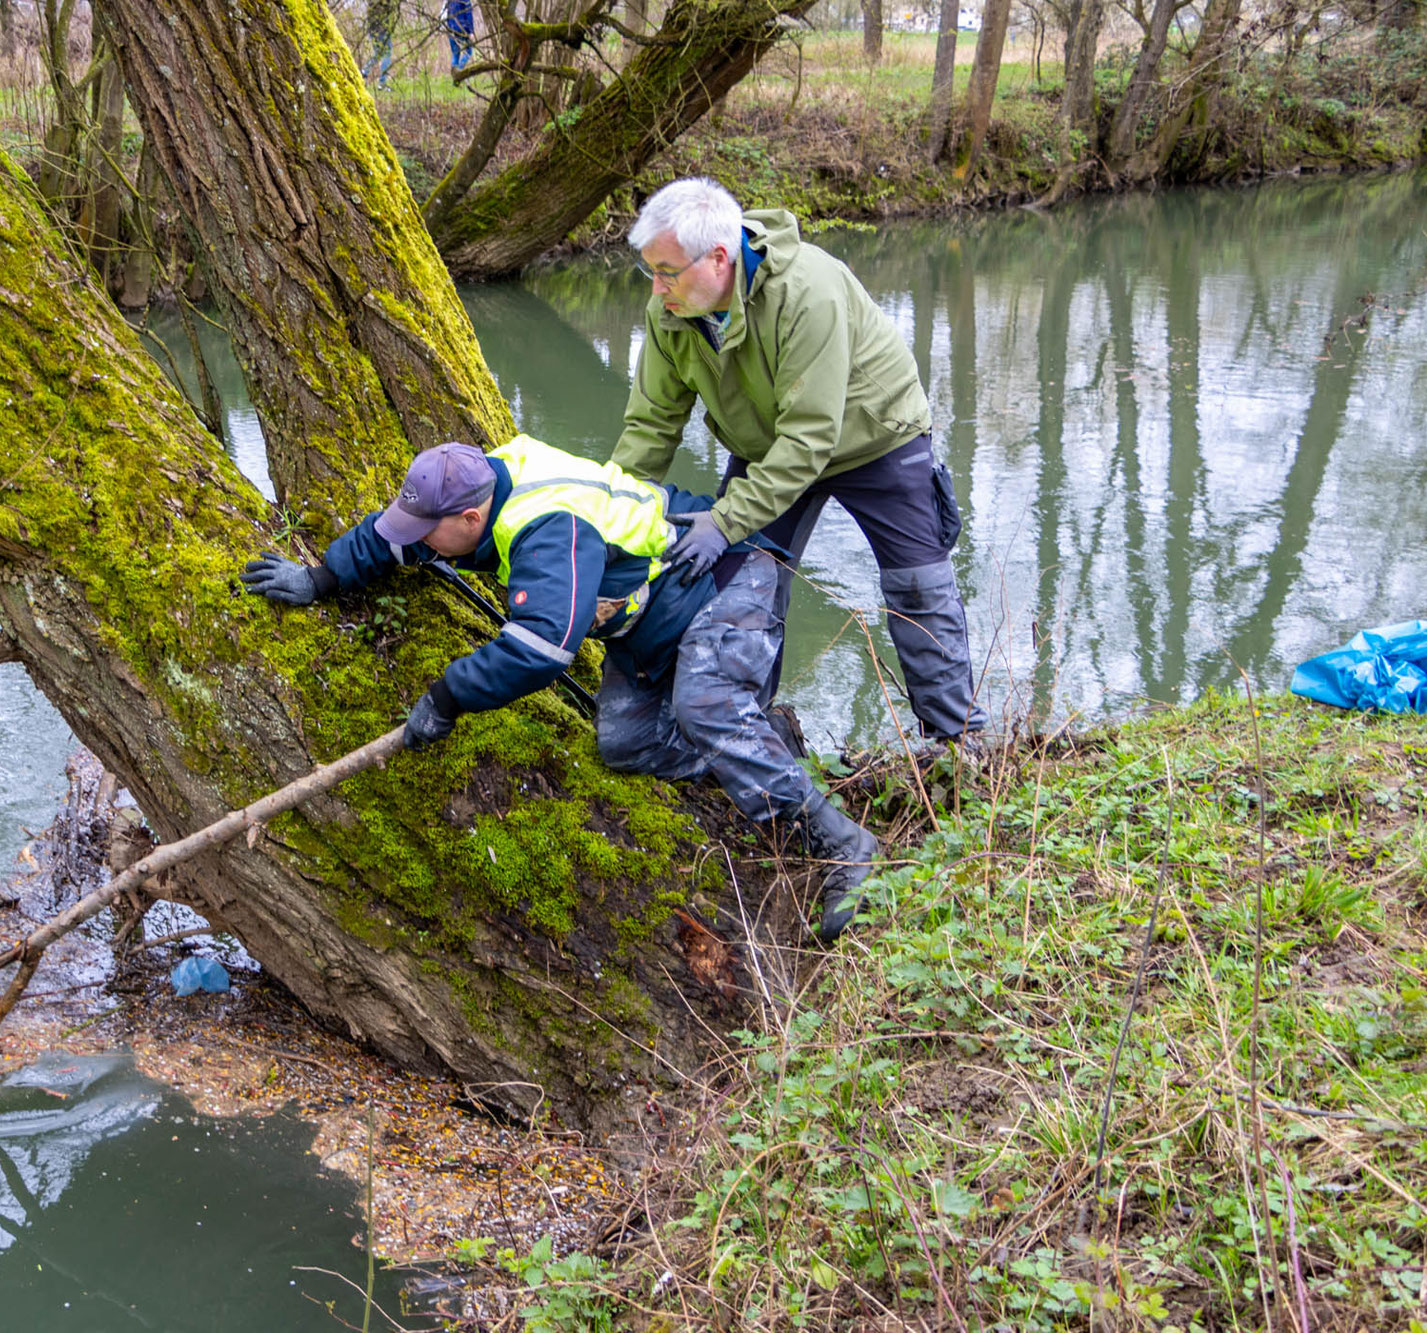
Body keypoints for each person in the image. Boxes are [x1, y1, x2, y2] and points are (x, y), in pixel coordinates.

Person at [240, 434, 882, 944]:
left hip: (728, 579)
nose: (418, 544)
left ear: (469, 517)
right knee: (626, 745)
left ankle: (842, 844)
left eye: (429, 533)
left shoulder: (546, 525)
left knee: (705, 710)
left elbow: (543, 649)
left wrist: (446, 697)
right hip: (657, 617)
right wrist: (321, 578)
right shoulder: (476, 478)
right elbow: (395, 539)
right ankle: (756, 753)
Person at [614, 177, 987, 745]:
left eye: (667, 271)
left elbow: (810, 439)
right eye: (650, 271)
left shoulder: (805, 290)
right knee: (742, 584)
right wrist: (610, 509)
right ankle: (747, 735)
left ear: (719, 257)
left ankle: (959, 743)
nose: (657, 286)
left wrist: (725, 519)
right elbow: (652, 423)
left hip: (873, 436)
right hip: (767, 448)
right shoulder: (670, 310)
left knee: (918, 588)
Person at [363, 0, 397, 88]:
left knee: (378, 54)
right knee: (387, 54)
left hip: (372, 29)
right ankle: (382, 83)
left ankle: (364, 71)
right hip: (382, 29)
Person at [443, 0, 474, 73]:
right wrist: (471, 31)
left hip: (451, 30)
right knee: (468, 52)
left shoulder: (449, 1)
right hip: (463, 30)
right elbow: (468, 14)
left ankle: (455, 77)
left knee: (455, 54)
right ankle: (460, 71)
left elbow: (446, 15)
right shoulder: (465, 1)